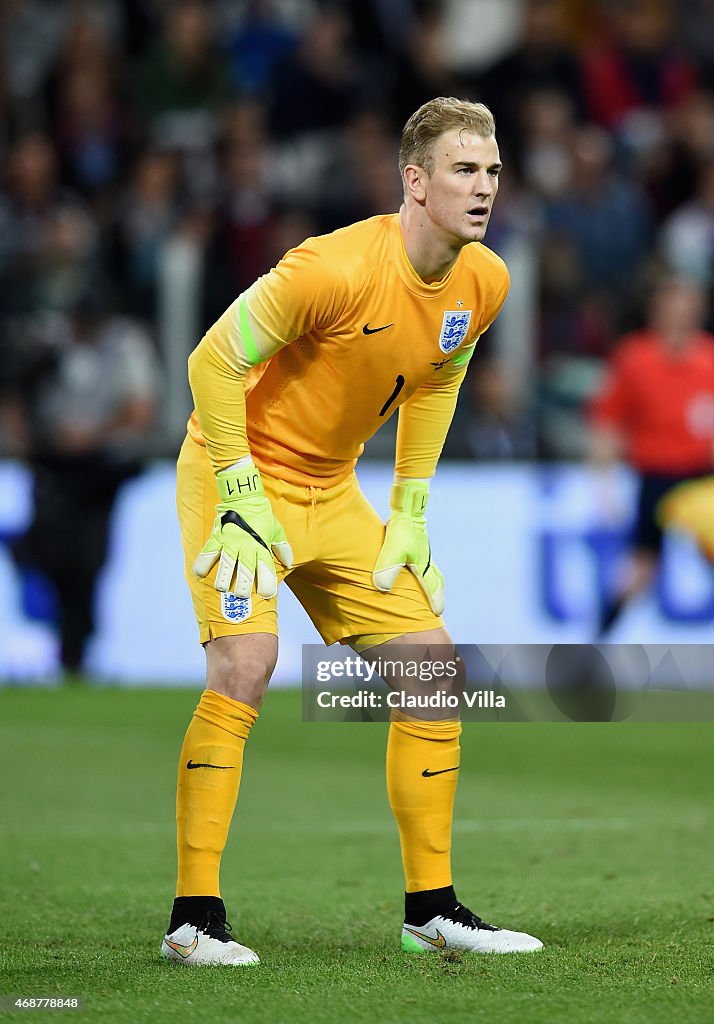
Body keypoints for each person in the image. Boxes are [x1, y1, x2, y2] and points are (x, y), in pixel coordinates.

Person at [162, 96, 543, 966]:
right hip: (238, 474)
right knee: (246, 665)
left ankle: (432, 910)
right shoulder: (329, 268)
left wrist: (409, 507)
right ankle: (193, 918)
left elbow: (439, 380)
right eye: (463, 170)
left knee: (432, 669)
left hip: (331, 490)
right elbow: (212, 362)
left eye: (491, 170)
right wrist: (237, 488)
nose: (483, 187)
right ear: (415, 180)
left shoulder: (485, 280)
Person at [589, 277, 714, 636]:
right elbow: (608, 423)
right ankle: (598, 638)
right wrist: (604, 483)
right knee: (641, 566)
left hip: (701, 477)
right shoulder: (634, 359)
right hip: (656, 478)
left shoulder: (708, 358)